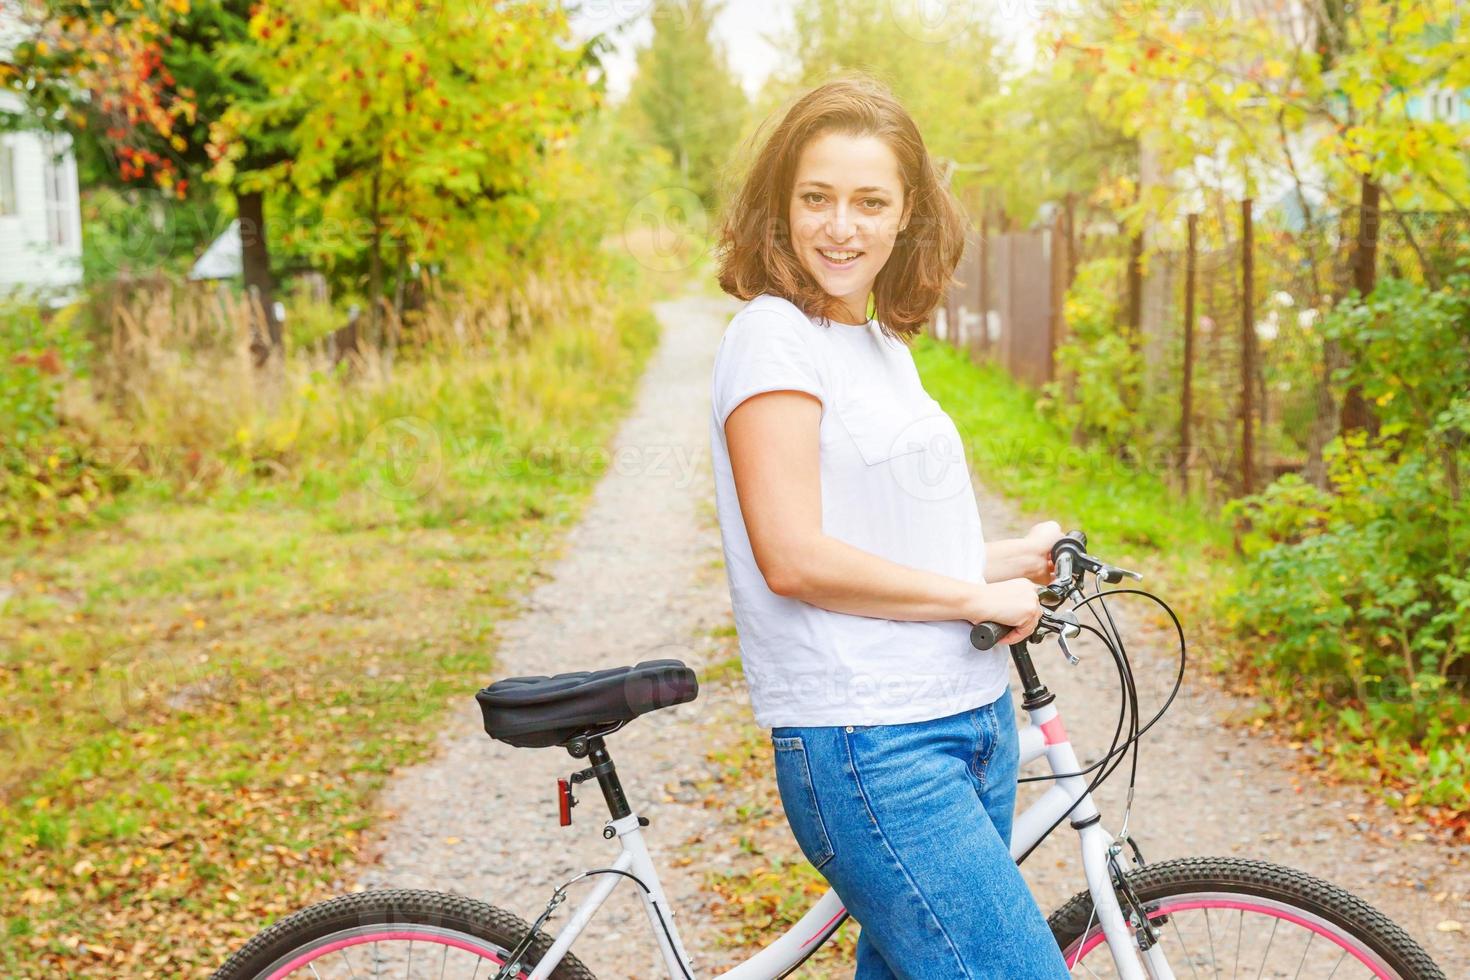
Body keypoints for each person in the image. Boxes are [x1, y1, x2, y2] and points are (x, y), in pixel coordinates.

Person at [706, 73, 1075, 979]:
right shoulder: (771, 337)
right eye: (817, 198)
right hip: (873, 746)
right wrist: (967, 593)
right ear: (779, 208)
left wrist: (1007, 561)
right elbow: (794, 557)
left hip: (967, 720)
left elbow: (883, 553)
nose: (843, 227)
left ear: (907, 214)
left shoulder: (880, 348)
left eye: (870, 202)